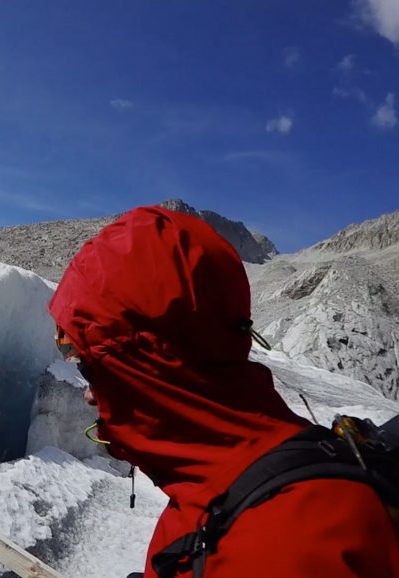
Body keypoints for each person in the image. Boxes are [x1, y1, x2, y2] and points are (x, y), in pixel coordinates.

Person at [47, 206, 399, 577]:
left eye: (87, 365)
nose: (87, 393)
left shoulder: (288, 544)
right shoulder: (220, 485)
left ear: (146, 370)